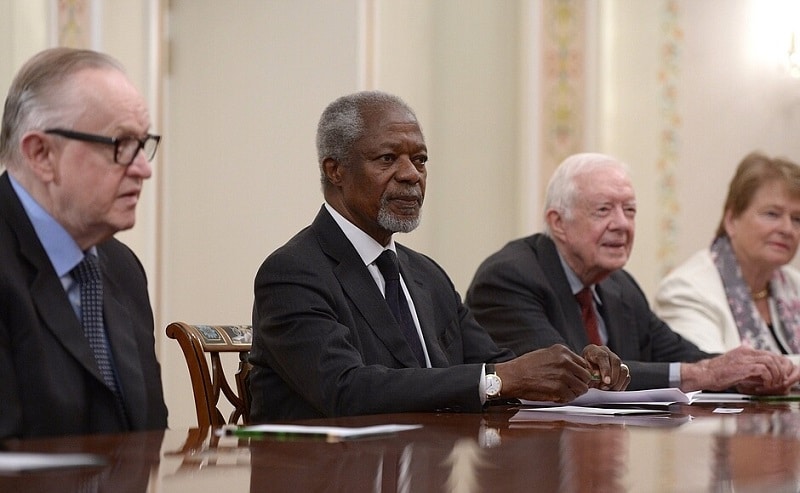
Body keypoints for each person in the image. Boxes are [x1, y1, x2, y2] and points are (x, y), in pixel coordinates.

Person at [248, 92, 629, 422]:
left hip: (424, 466)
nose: (411, 174)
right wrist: (499, 379)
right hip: (324, 475)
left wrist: (574, 370)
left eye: (420, 159)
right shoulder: (293, 273)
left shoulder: (425, 275)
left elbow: (499, 361)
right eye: (386, 159)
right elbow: (345, 389)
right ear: (335, 170)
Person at [466, 152, 800, 394]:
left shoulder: (618, 286)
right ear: (558, 222)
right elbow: (568, 376)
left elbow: (679, 355)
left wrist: (743, 373)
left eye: (630, 211)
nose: (622, 225)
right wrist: (704, 374)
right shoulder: (510, 278)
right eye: (603, 210)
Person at [0, 48, 168, 438]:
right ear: (41, 154)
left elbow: (148, 433)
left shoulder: (123, 268)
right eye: (121, 144)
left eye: (143, 144)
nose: (143, 169)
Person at [655, 152, 800, 355]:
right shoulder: (687, 290)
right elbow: (711, 374)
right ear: (731, 220)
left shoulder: (795, 285)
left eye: (797, 219)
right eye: (772, 214)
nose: (787, 229)